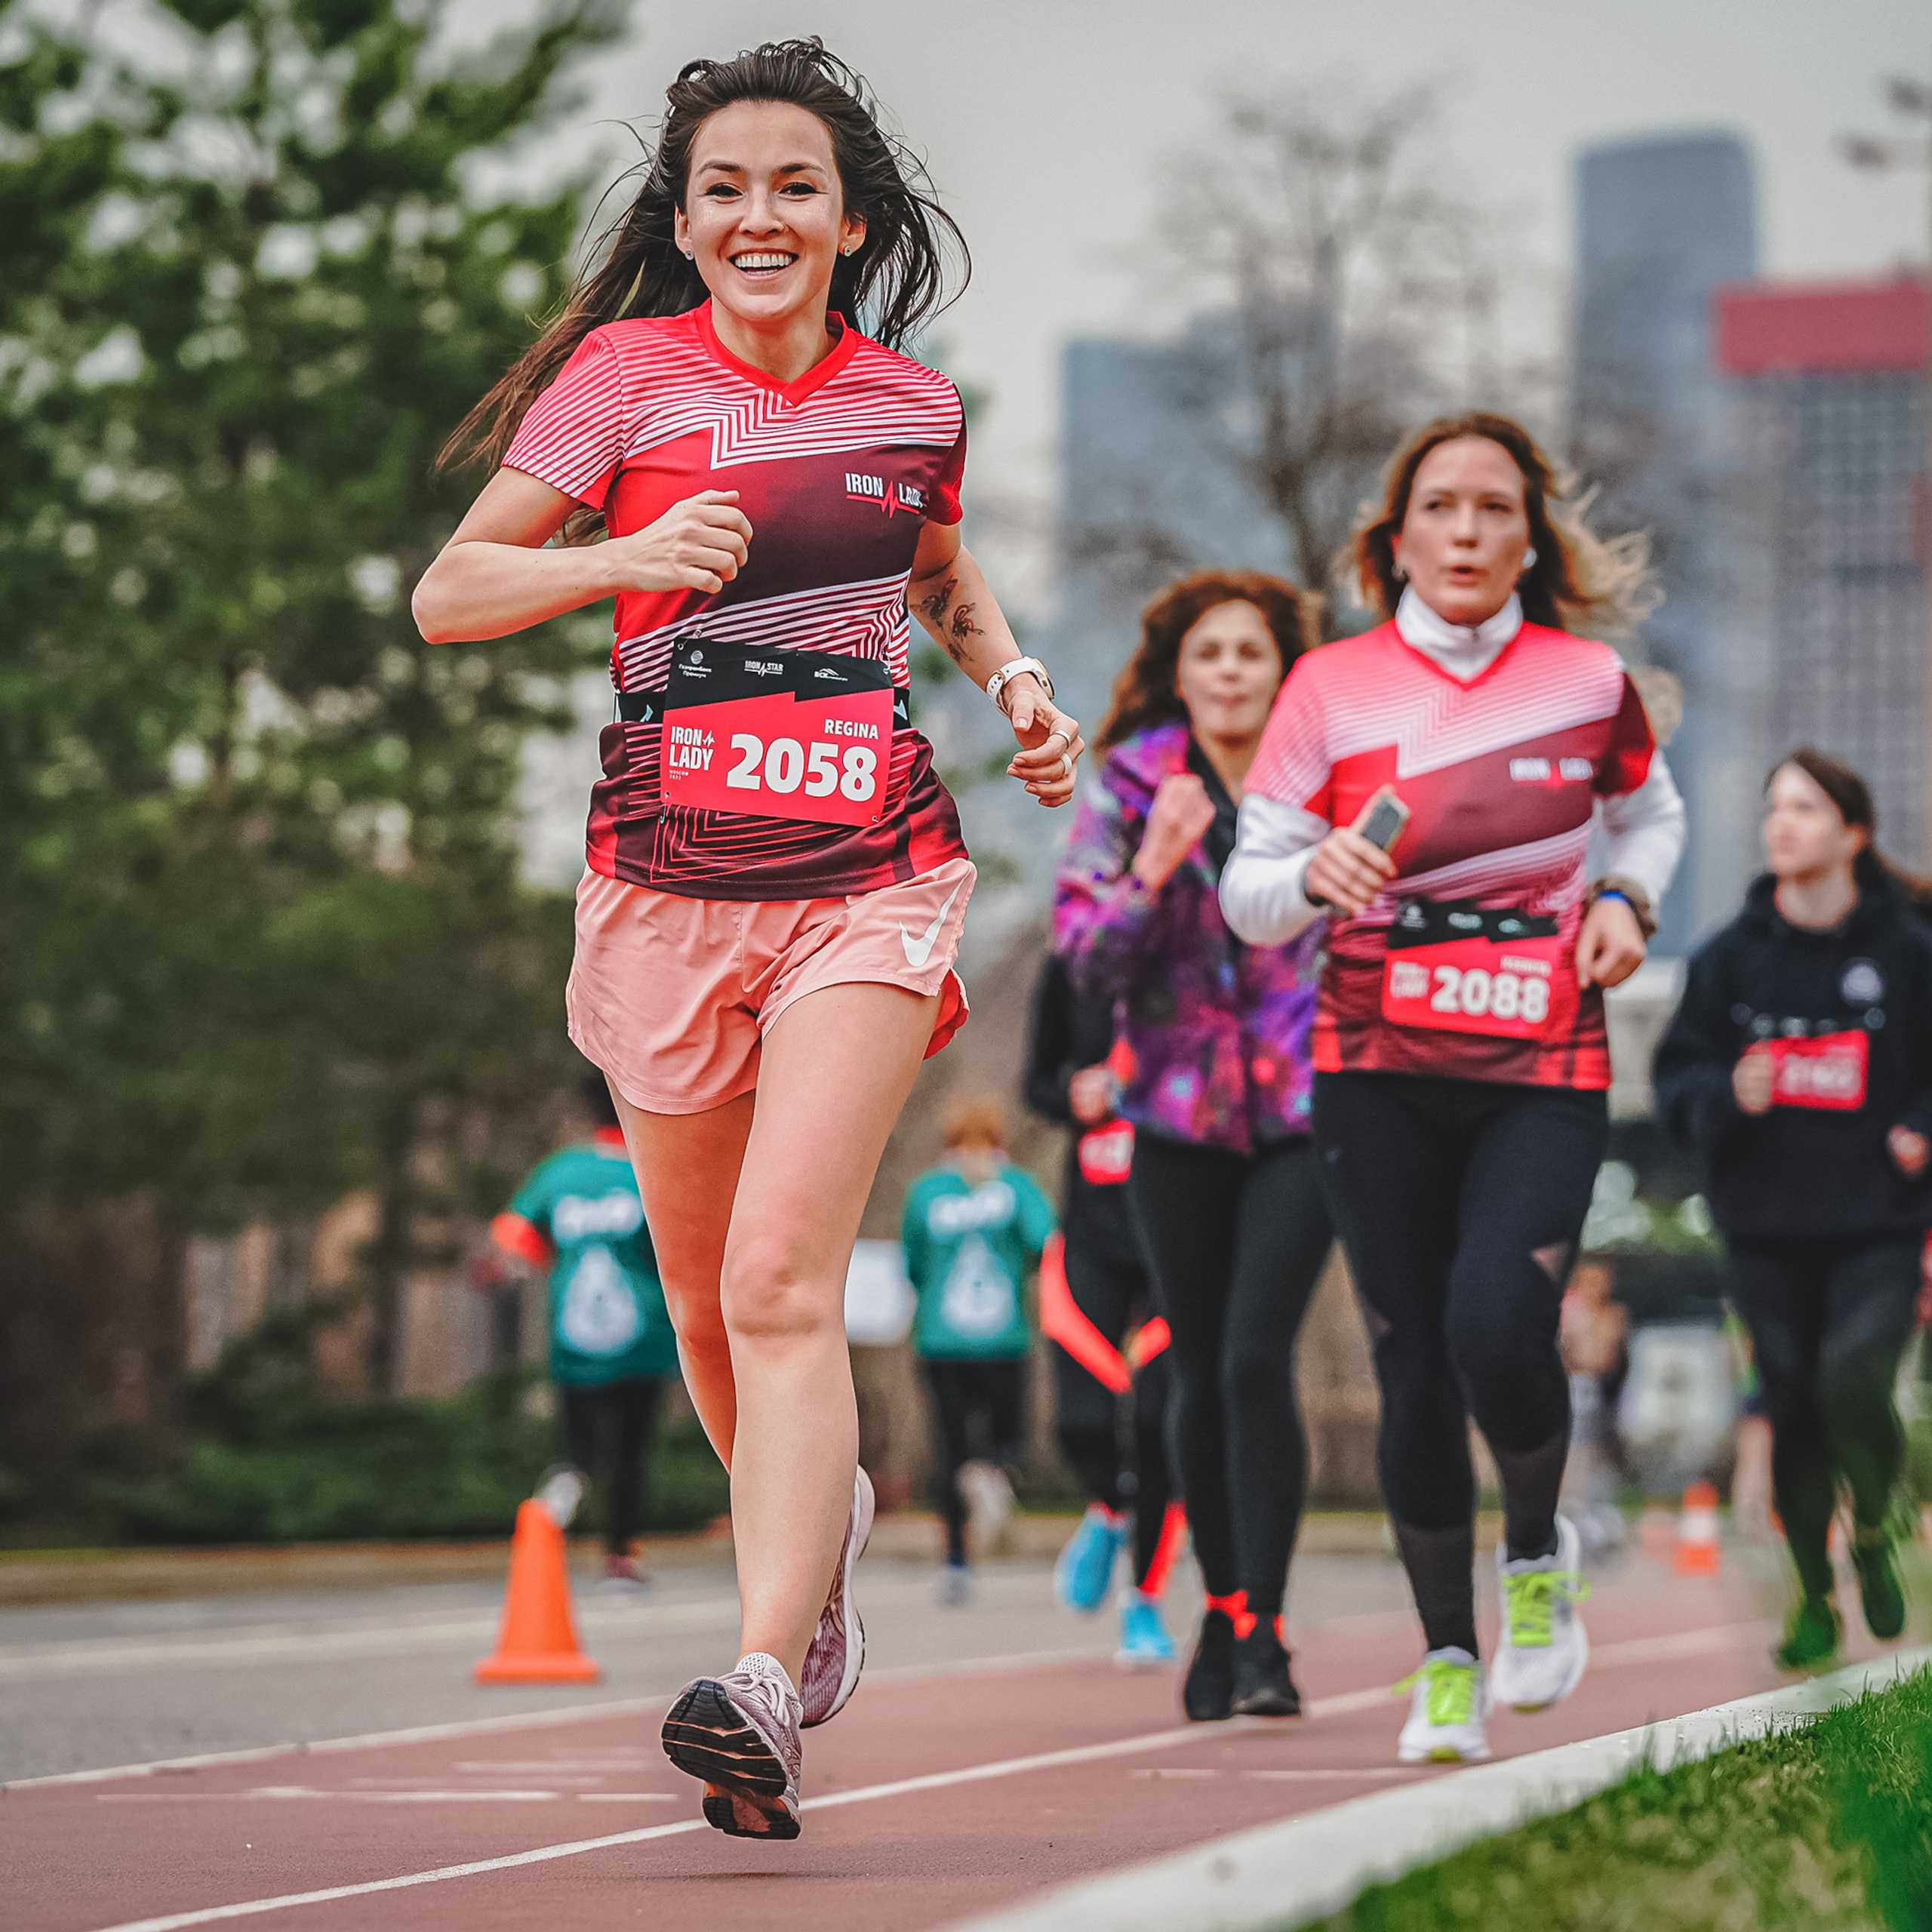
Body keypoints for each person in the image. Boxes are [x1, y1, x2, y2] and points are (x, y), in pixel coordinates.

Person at [412, 41, 1085, 1841]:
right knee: (711, 1299)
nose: (758, 213)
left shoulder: (909, 405)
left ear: (850, 221)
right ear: (688, 218)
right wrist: (615, 562)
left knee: (784, 1273)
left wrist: (1013, 679)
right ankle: (823, 1555)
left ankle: (765, 1675)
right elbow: (451, 589)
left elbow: (932, 572)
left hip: (867, 868)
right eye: (724, 186)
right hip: (661, 880)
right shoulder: (621, 381)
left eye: (795, 185)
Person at [1220, 412, 1686, 1763]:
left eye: (1495, 508)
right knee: (1411, 1360)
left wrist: (1628, 900)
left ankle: (1535, 1555)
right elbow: (1249, 891)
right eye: (1441, 507)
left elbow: (1651, 816)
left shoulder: (1587, 682)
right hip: (1375, 1065)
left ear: (1529, 538)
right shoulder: (1329, 690)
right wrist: (1309, 876)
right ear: (1398, 537)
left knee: (1497, 1321)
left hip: (1542, 1059)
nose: (1468, 532)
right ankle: (1444, 1661)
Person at [1056, 570, 1333, 1722]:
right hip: (1173, 1116)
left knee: (1258, 1357)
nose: (1229, 671)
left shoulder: (1323, 778)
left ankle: (1266, 1626)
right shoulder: (1129, 784)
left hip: (1305, 1114)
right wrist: (1152, 869)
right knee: (1201, 1371)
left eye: (1251, 652)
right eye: (1209, 652)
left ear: (1284, 671)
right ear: (1180, 670)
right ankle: (1220, 1612)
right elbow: (1085, 962)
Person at [1654, 749, 1932, 1671]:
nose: (1781, 822)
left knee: (1852, 1380)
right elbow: (1675, 1082)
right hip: (1765, 1226)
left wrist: (1918, 1127)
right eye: (1774, 805)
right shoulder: (1728, 958)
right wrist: (1726, 1092)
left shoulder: (1906, 954)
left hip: (1878, 1223)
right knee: (1794, 1407)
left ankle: (1877, 1523)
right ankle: (1812, 1595)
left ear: (1852, 833)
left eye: (1805, 807)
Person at [1023, 953, 1183, 1666]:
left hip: (1176, 1226)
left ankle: (1144, 1604)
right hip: (1091, 1227)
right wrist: (1073, 1095)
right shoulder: (1070, 966)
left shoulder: (1198, 959)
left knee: (1158, 1424)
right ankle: (1108, 1508)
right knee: (1080, 1419)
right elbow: (1036, 1083)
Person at [491, 1074, 681, 1586]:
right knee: (630, 1452)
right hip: (645, 1336)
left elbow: (512, 1241)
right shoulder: (653, 1169)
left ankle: (563, 1490)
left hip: (573, 1339)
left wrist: (546, 1262)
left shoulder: (561, 1172)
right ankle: (622, 1557)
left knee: (578, 1447)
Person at [900, 1095, 1057, 1603]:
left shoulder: (926, 1191)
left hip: (940, 1340)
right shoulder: (1016, 1186)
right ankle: (991, 1469)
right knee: (1008, 1436)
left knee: (948, 1449)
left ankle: (956, 1558)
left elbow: (912, 1264)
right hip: (1003, 1338)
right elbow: (1045, 1243)